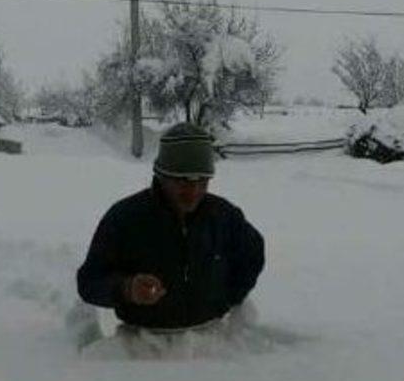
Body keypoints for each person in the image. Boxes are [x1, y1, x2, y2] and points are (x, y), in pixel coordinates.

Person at [76, 122, 265, 332]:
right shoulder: (125, 218)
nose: (193, 191)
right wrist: (128, 289)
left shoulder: (224, 216)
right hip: (141, 348)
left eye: (202, 180)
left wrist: (227, 297)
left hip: (210, 343)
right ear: (161, 175)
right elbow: (89, 282)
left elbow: (253, 254)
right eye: (182, 181)